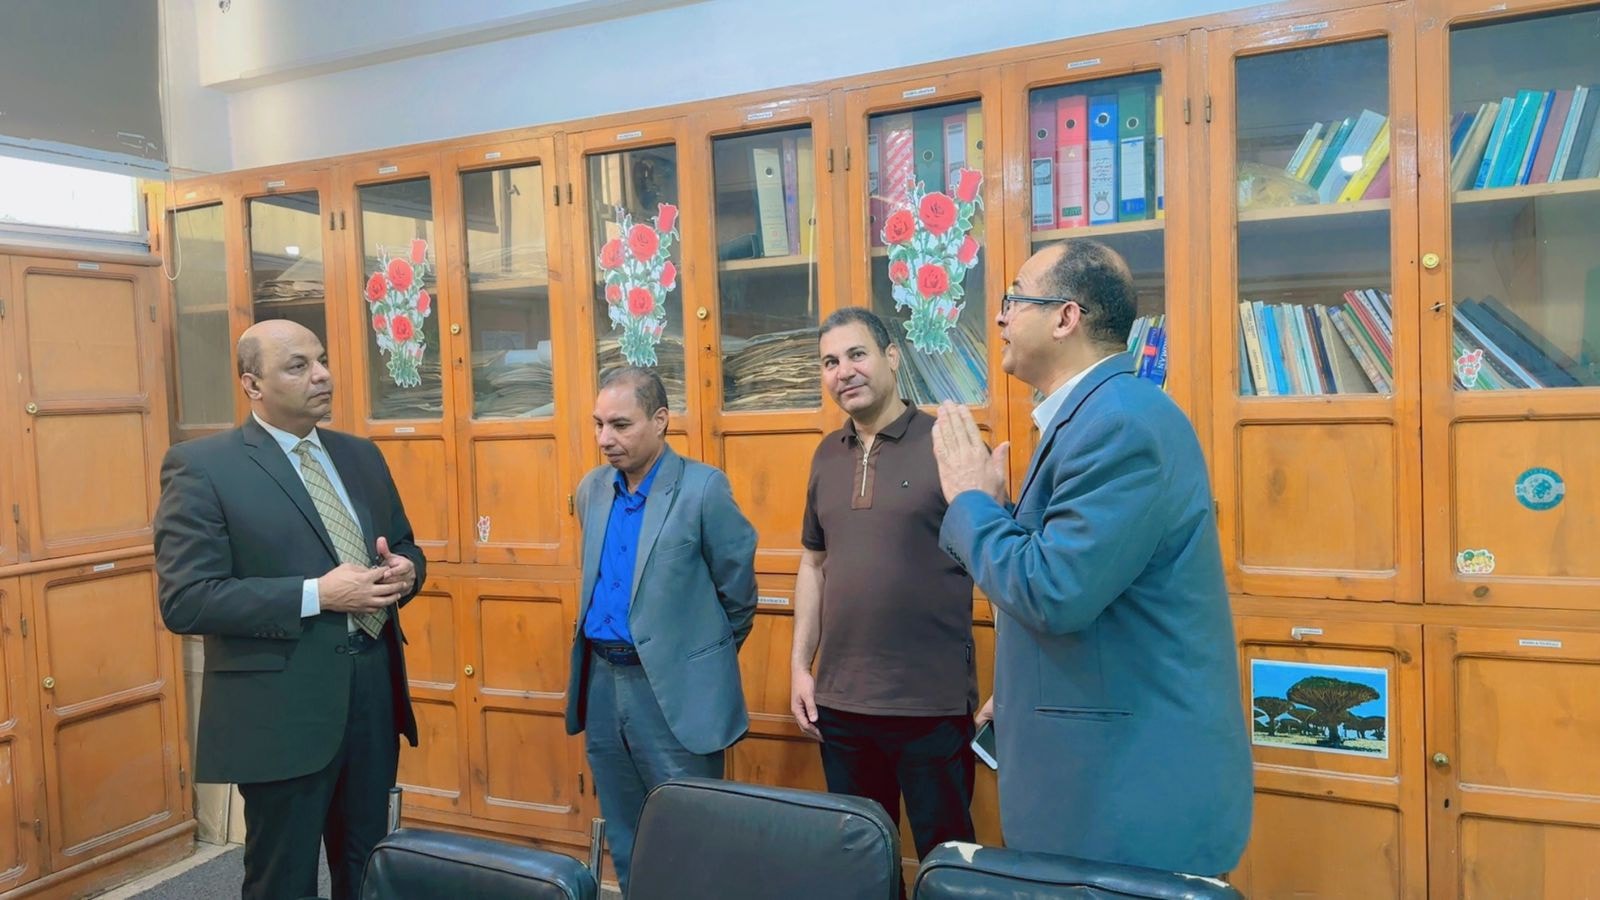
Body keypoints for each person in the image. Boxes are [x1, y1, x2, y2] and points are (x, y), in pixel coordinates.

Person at [930, 239, 1252, 876]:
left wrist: (970, 501)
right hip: (1101, 781)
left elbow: (1054, 591)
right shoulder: (1096, 415)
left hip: (1127, 797)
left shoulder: (1120, 423)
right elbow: (1087, 585)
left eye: (1013, 298)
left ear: (1065, 317)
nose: (999, 316)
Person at [153, 319, 426, 900]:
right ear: (252, 385)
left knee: (368, 866)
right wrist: (316, 595)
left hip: (371, 695)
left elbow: (404, 544)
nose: (322, 375)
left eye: (321, 360)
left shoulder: (359, 455)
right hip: (280, 711)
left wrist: (407, 570)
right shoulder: (203, 467)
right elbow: (186, 599)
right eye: (298, 366)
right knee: (283, 877)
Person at [790, 308, 977, 891]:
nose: (843, 371)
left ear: (892, 357)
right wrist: (799, 666)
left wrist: (1013, 680)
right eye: (829, 362)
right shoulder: (827, 454)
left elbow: (998, 561)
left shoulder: (947, 444)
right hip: (841, 706)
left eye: (857, 354)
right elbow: (813, 563)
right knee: (861, 870)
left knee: (948, 866)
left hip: (930, 707)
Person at [564, 366, 759, 894]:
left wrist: (694, 659)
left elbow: (738, 594)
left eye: (621, 425)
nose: (605, 439)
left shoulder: (703, 488)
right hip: (603, 684)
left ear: (660, 420)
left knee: (692, 835)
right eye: (599, 424)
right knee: (627, 837)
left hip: (673, 691)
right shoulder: (592, 490)